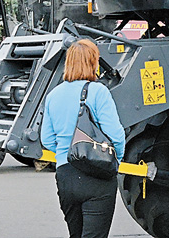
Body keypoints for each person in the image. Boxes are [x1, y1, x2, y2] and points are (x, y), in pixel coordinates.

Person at [41, 39, 126, 238]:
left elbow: (46, 139)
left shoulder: (53, 95)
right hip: (97, 174)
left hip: (66, 175)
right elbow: (116, 135)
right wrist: (117, 161)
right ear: (93, 63)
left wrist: (65, 154)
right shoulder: (98, 92)